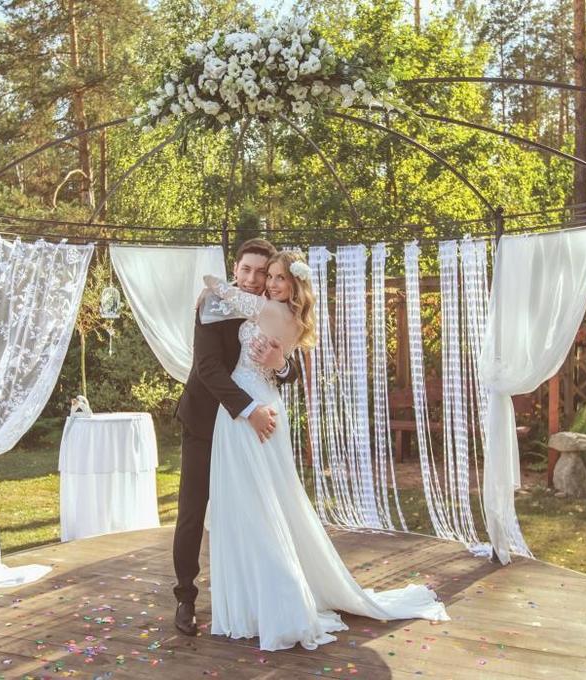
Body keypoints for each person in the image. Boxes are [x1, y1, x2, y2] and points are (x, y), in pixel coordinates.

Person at [201, 250, 450, 652]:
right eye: (269, 276)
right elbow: (278, 363)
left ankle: (280, 604)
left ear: (295, 285)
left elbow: (215, 287)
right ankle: (258, 600)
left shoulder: (268, 309)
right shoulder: (291, 317)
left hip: (251, 410)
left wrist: (215, 287)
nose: (270, 283)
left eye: (279, 277)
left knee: (258, 505)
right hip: (258, 401)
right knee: (264, 502)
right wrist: (279, 362)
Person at [172, 238, 300, 636]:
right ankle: (185, 598)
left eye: (261, 272)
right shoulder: (212, 303)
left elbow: (290, 365)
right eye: (246, 270)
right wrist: (250, 409)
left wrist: (280, 365)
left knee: (254, 509)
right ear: (235, 269)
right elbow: (208, 368)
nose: (253, 279)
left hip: (246, 431)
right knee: (193, 511)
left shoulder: (270, 307)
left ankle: (254, 595)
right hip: (206, 422)